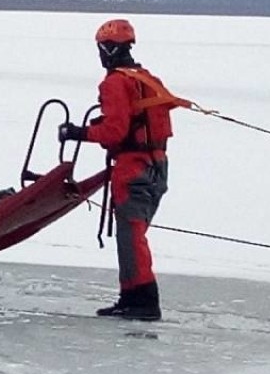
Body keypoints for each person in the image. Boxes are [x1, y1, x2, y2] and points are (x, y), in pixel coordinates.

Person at [58, 18, 182, 321]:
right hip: (158, 166)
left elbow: (115, 132)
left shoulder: (115, 82)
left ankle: (142, 301)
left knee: (132, 234)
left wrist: (78, 133)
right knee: (133, 234)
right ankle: (131, 297)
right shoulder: (146, 79)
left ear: (108, 49)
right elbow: (136, 123)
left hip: (133, 168)